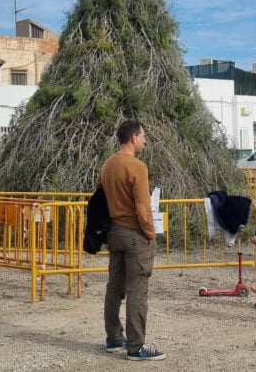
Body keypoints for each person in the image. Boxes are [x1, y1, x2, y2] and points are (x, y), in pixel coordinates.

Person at [100, 120, 165, 361]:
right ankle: (136, 347)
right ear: (133, 137)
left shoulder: (108, 164)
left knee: (114, 287)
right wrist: (149, 233)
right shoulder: (137, 167)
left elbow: (100, 199)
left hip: (114, 232)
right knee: (137, 291)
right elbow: (142, 206)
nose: (145, 140)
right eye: (143, 136)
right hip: (135, 234)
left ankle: (113, 338)